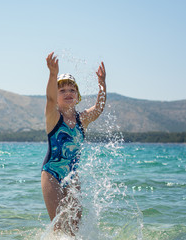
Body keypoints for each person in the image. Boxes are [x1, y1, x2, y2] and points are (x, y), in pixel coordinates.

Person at [41, 52, 106, 234]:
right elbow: (50, 99)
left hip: (72, 176)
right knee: (60, 225)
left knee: (74, 228)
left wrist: (102, 84)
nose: (68, 93)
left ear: (77, 96)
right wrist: (53, 74)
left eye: (72, 90)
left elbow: (99, 108)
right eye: (62, 90)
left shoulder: (81, 119)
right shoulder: (54, 117)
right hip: (51, 174)